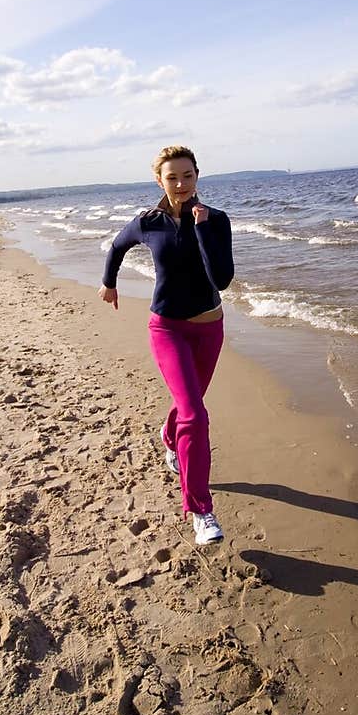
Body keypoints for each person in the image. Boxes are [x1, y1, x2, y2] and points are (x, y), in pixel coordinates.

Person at [98, 145, 234, 545]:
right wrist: (109, 283)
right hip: (168, 329)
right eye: (172, 177)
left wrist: (203, 228)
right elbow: (117, 247)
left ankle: (170, 436)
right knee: (195, 413)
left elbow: (221, 279)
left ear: (197, 176)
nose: (180, 184)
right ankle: (201, 511)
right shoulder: (147, 222)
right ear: (159, 180)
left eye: (187, 176)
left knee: (186, 405)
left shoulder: (217, 220)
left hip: (210, 328)